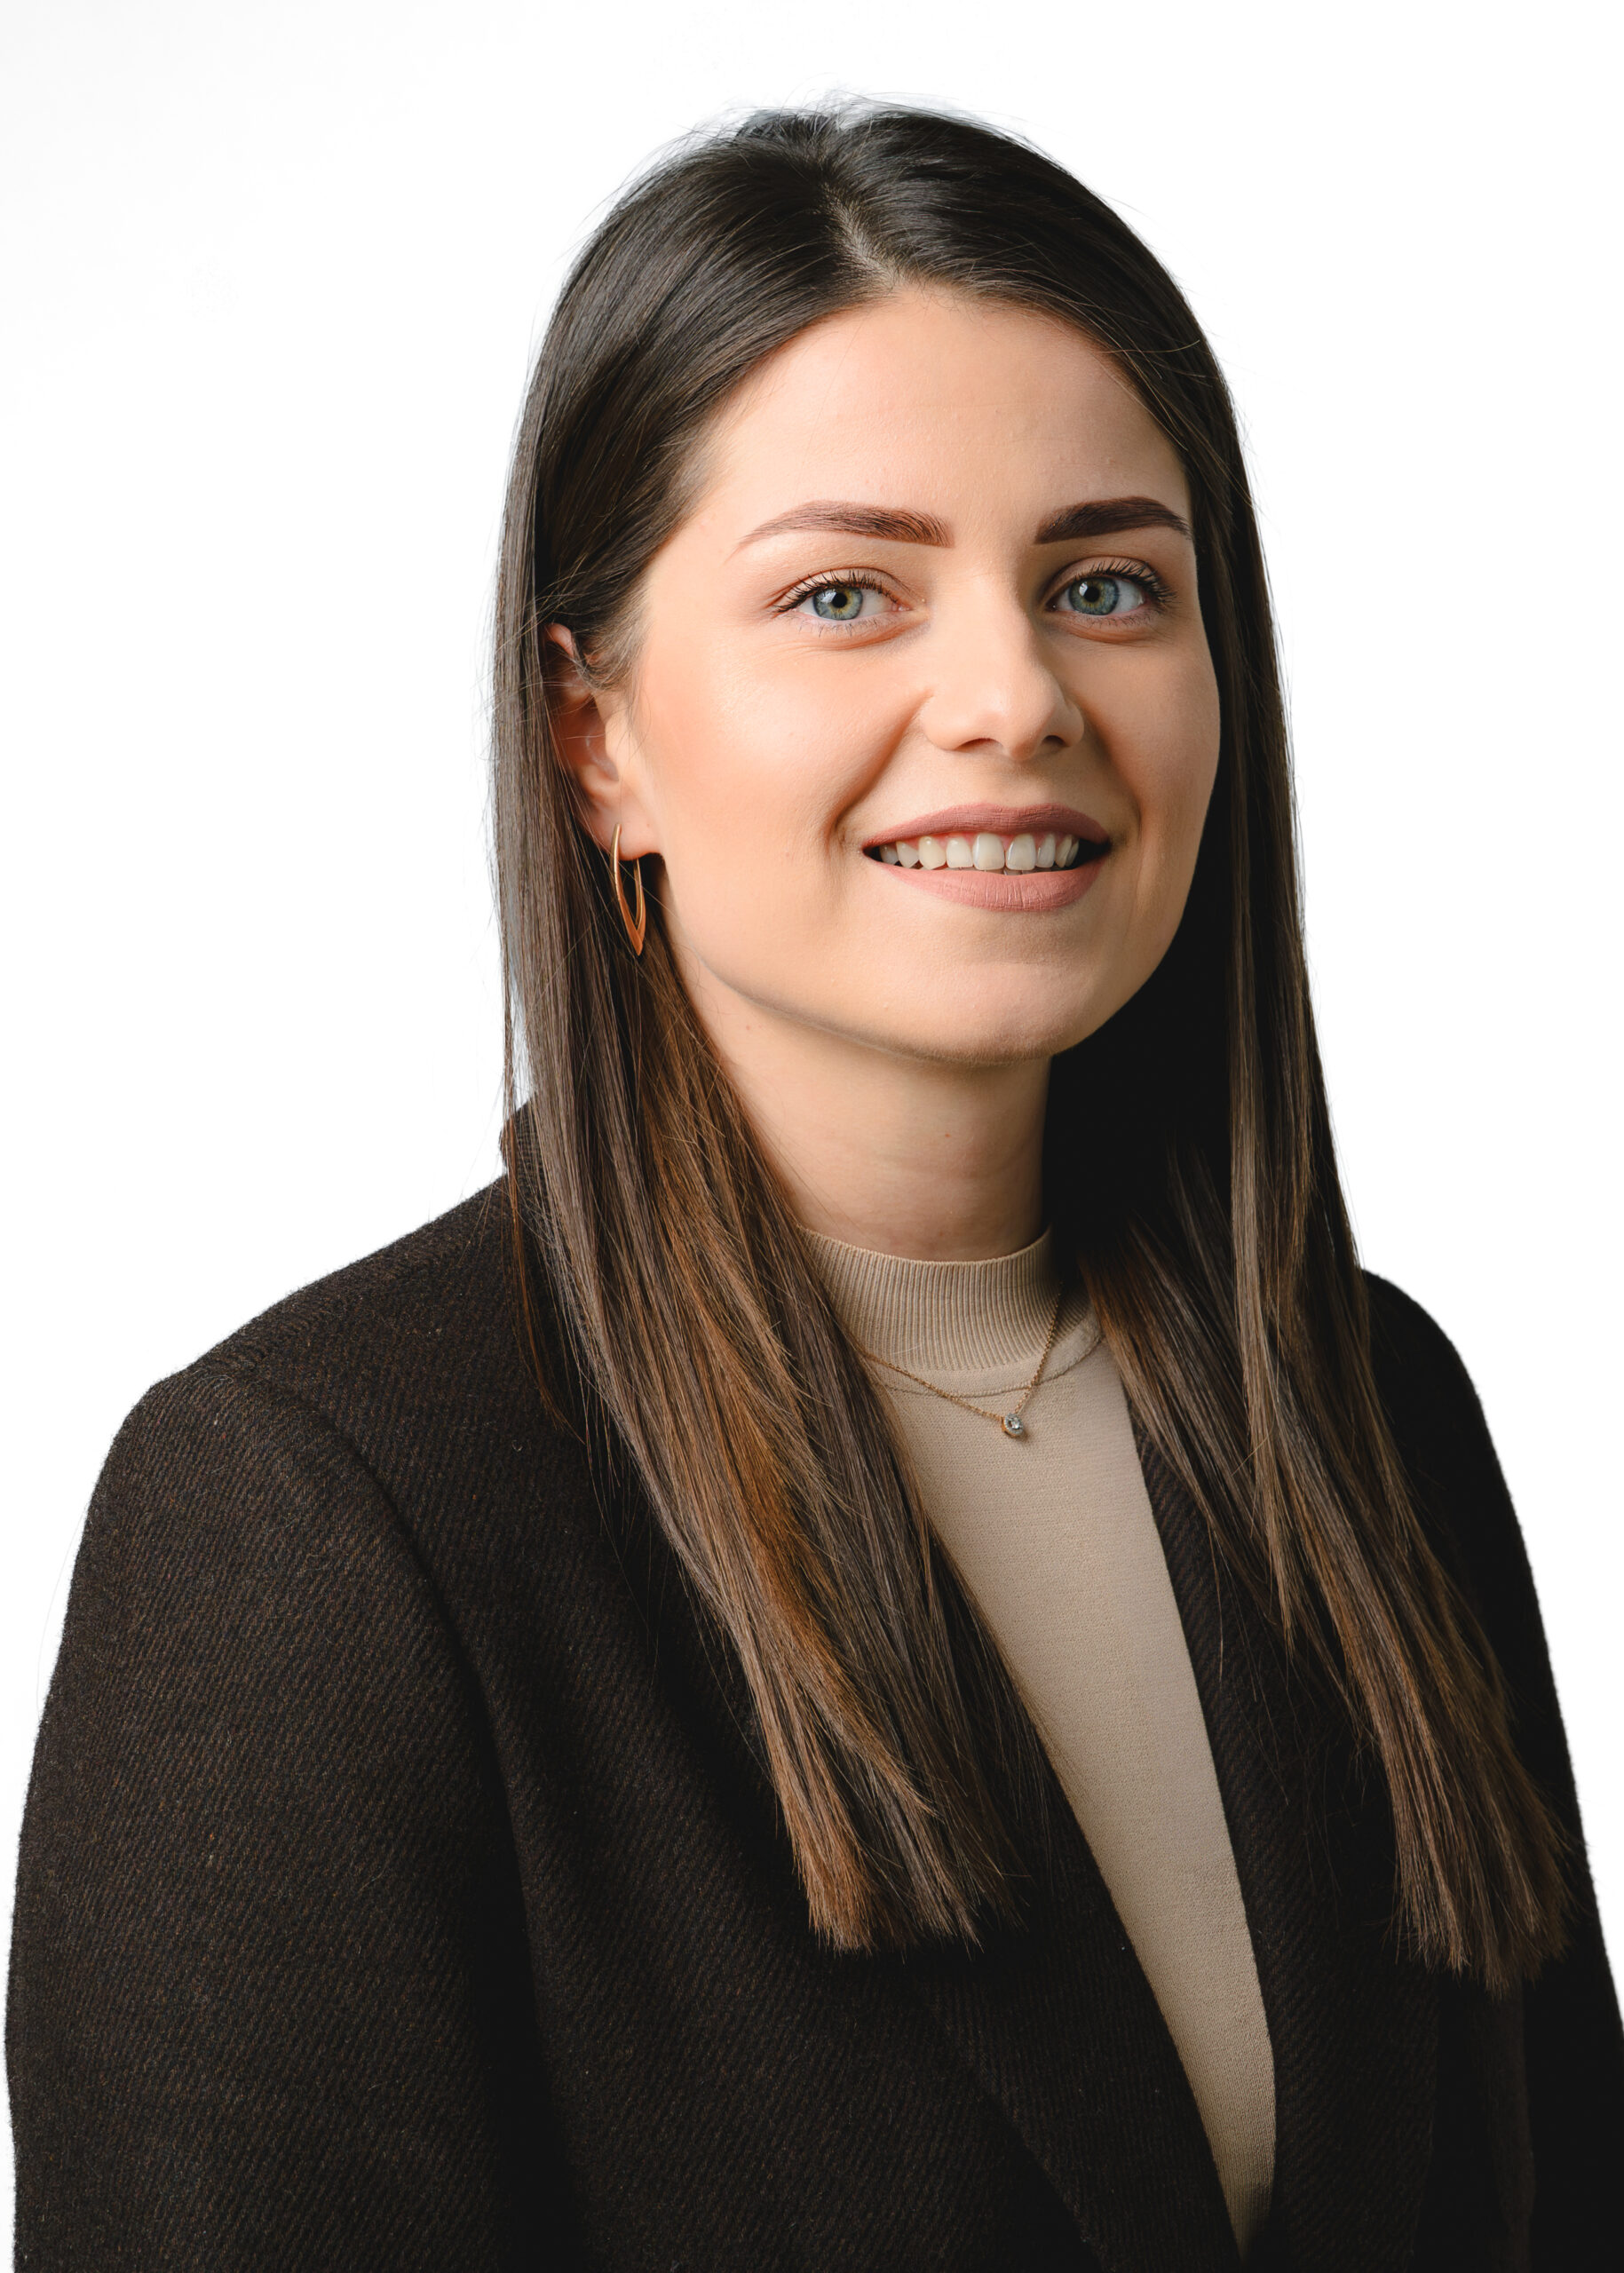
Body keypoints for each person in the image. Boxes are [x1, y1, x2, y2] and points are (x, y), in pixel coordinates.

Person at [8, 104, 1620, 2271]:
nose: (1016, 696)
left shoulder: (1371, 1413)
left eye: (1108, 583)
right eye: (847, 591)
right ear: (599, 740)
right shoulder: (318, 1524)